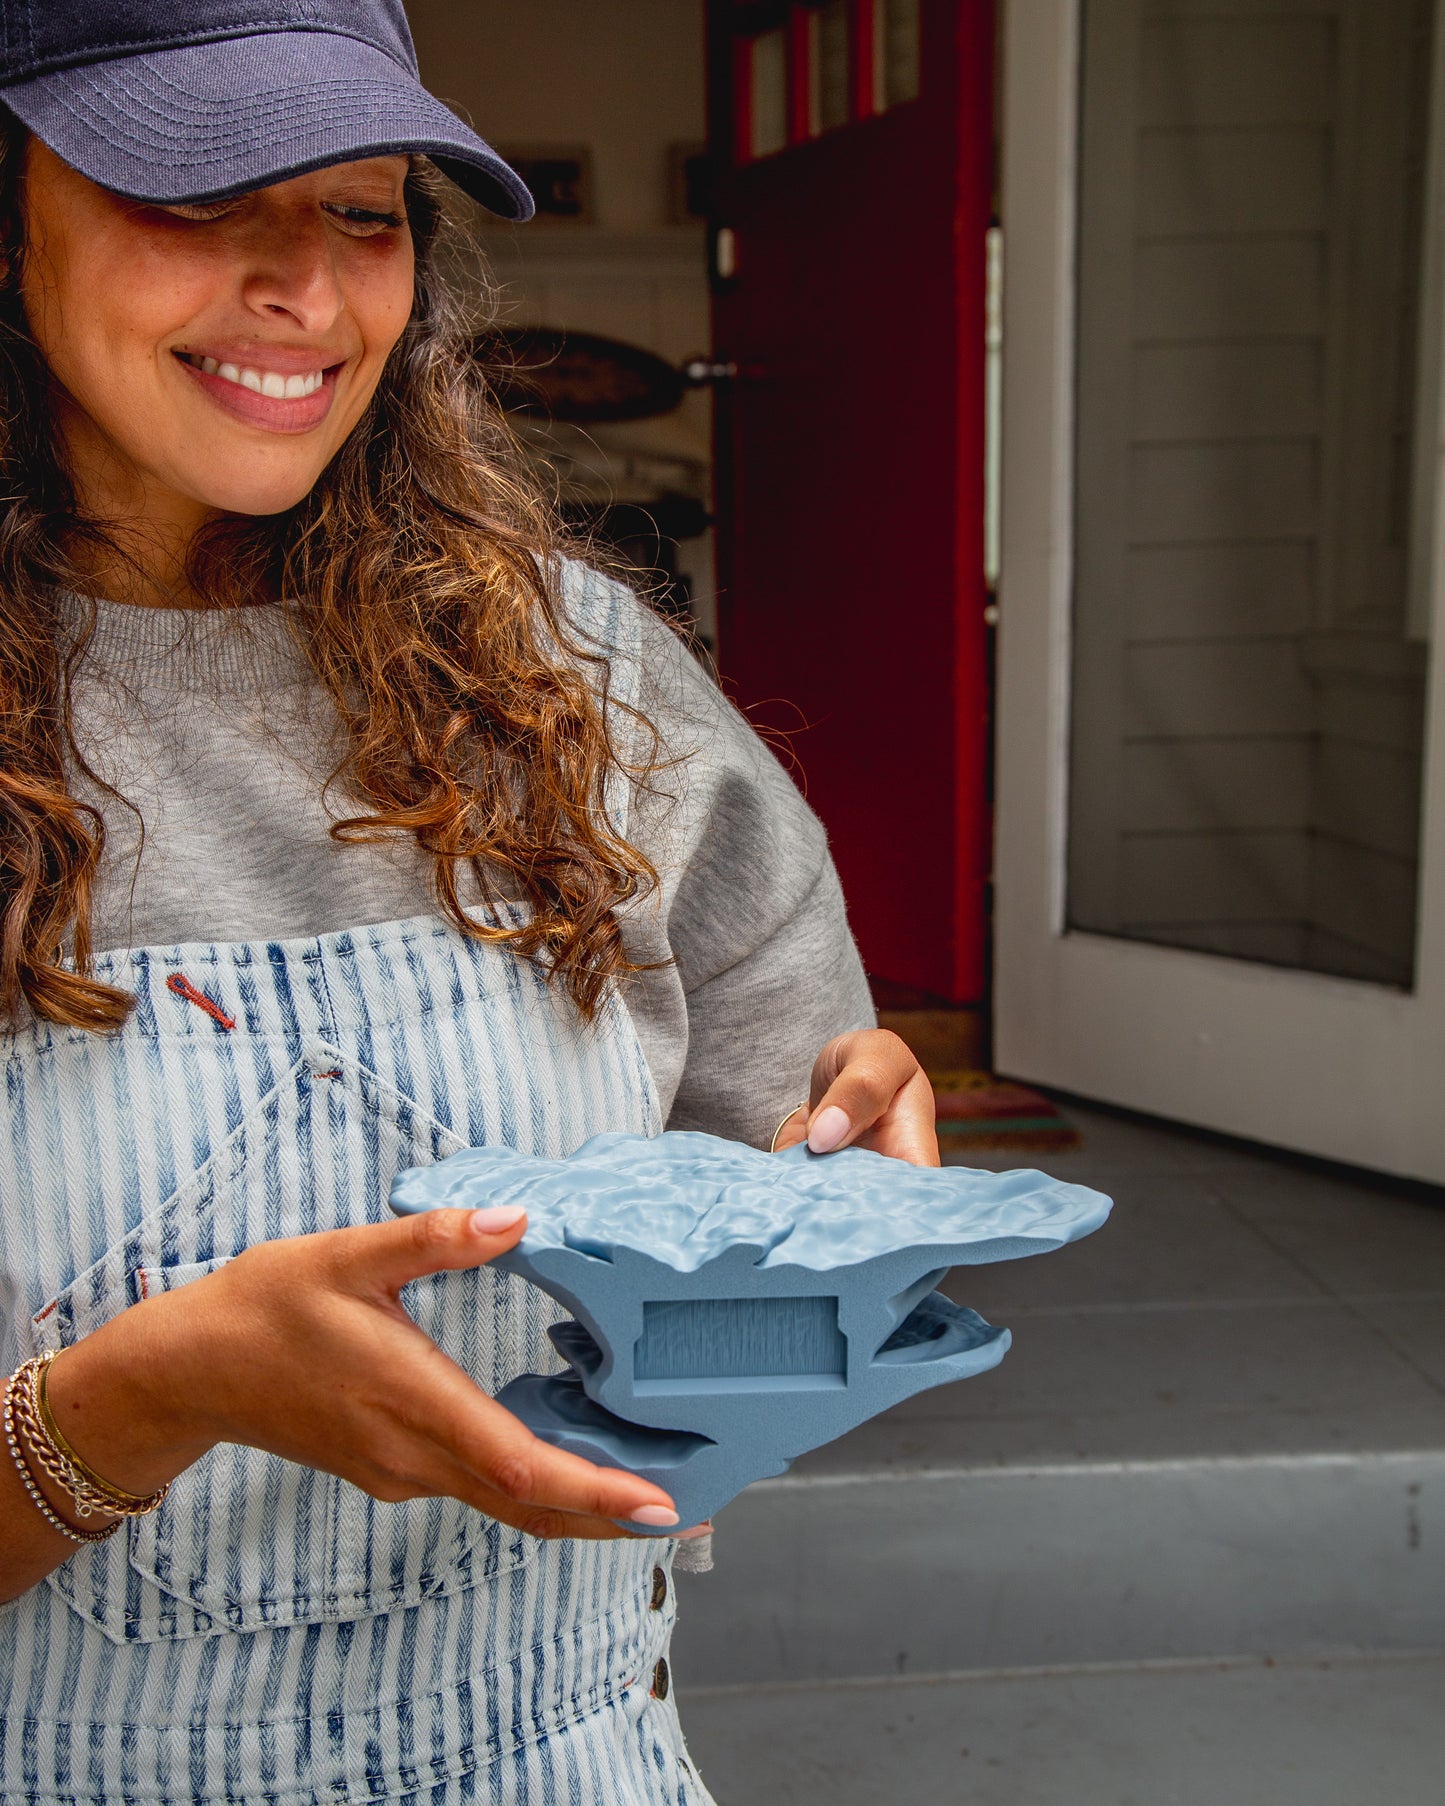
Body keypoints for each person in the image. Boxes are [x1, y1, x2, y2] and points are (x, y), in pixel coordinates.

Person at [0, 3, 939, 1801]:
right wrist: (138, 1399)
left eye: (363, 211)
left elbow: (764, 1208)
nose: (305, 288)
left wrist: (828, 1213)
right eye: (194, 199)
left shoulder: (576, 681)